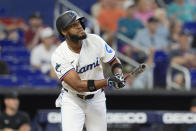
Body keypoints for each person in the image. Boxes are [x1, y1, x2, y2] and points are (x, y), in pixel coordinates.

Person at [51, 10, 126, 131]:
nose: (80, 26)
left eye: (80, 22)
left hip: (97, 98)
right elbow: (78, 86)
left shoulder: (94, 40)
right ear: (64, 31)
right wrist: (108, 81)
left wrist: (118, 75)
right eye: (74, 25)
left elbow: (113, 60)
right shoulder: (59, 55)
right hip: (73, 100)